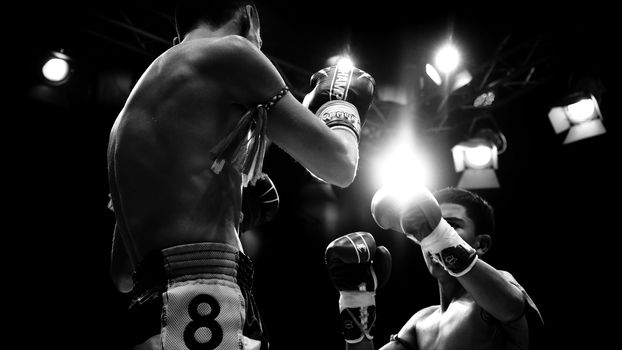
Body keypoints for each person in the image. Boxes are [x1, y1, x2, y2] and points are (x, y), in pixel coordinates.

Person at [106, 0, 376, 349]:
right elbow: (339, 165)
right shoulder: (230, 52)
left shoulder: (132, 114)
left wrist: (222, 213)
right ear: (250, 17)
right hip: (204, 305)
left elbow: (123, 275)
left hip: (150, 315)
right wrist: (342, 108)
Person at [326, 186, 543, 350]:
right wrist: (356, 300)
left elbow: (511, 306)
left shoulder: (501, 291)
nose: (425, 235)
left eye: (452, 225)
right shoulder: (421, 322)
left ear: (481, 244)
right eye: (421, 231)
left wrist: (440, 236)